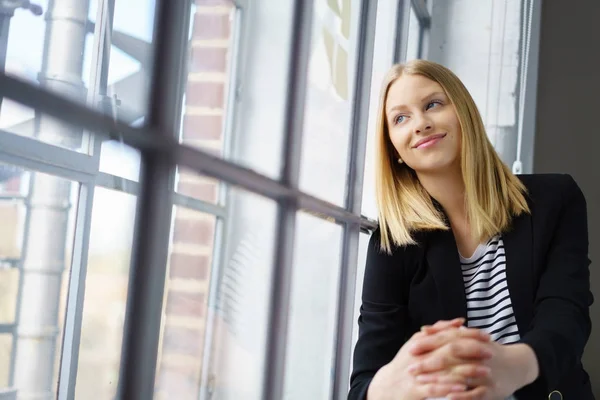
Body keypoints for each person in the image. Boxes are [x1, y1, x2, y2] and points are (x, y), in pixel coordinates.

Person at [348, 60, 594, 400]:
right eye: (400, 118)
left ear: (464, 112)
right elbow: (362, 386)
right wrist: (391, 385)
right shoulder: (391, 244)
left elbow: (567, 317)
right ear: (394, 149)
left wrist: (510, 367)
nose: (420, 123)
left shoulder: (555, 199)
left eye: (432, 104)